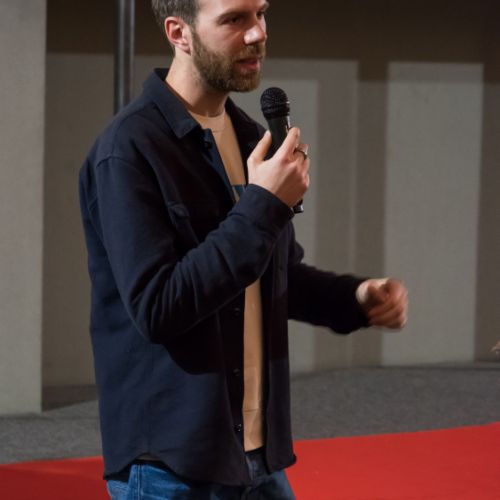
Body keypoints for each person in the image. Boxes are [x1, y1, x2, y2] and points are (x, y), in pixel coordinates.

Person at [79, 0, 409, 498]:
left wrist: (356, 298)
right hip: (170, 464)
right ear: (179, 33)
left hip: (254, 454)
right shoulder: (129, 149)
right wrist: (262, 205)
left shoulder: (251, 137)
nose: (257, 33)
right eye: (234, 19)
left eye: (261, 13)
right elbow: (158, 306)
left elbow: (275, 276)